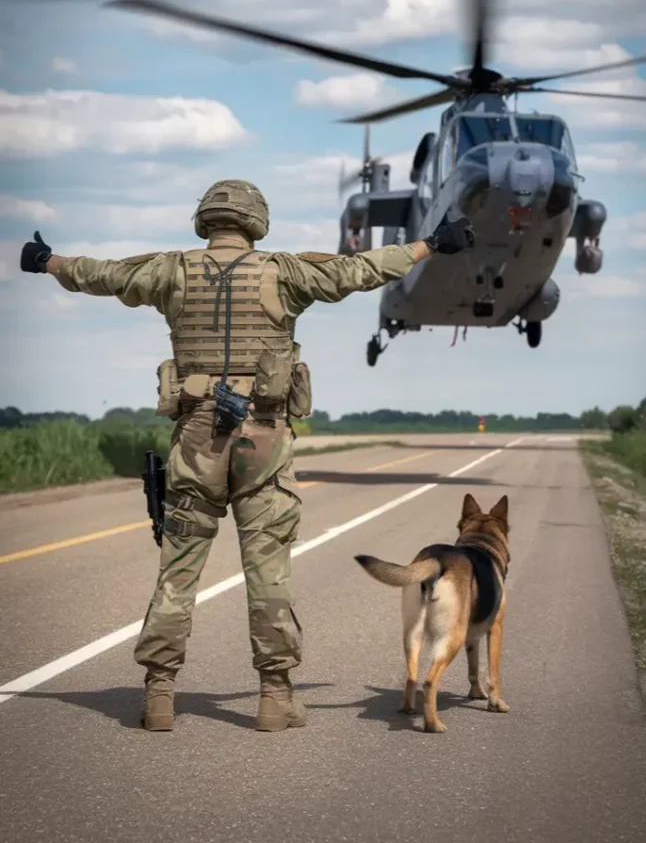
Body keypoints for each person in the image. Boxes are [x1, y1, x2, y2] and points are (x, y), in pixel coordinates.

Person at [20, 180, 475, 733]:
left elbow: (102, 274)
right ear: (256, 221)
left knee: (177, 574)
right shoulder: (285, 272)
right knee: (268, 574)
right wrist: (433, 243)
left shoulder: (170, 270)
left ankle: (160, 696)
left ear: (205, 220)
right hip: (264, 438)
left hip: (196, 439)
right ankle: (275, 697)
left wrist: (46, 260)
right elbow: (362, 270)